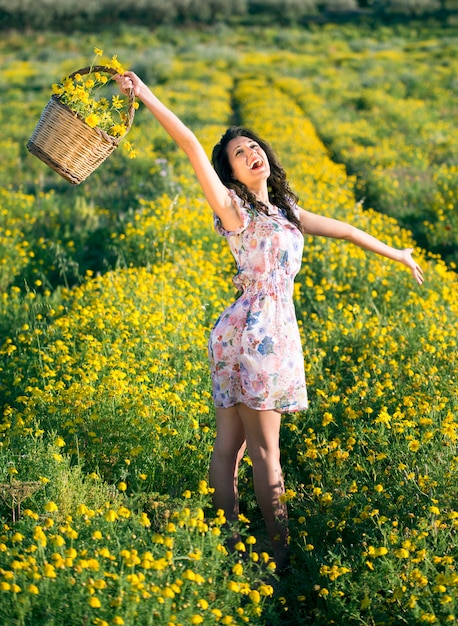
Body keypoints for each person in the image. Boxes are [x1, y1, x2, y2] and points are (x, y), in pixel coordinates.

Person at [115, 72, 424, 571]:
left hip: (253, 333)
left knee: (232, 447)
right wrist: (146, 94)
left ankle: (231, 543)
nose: (251, 153)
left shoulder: (285, 212)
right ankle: (280, 556)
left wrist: (397, 252)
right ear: (231, 174)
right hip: (256, 337)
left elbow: (344, 230)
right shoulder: (234, 209)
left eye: (254, 146)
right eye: (240, 154)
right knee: (264, 454)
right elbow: (192, 143)